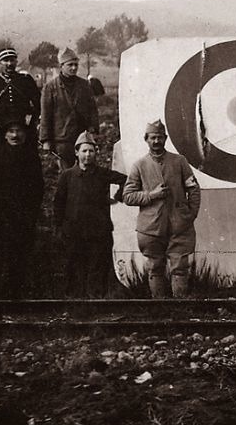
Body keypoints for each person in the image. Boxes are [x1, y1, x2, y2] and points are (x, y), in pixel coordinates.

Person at [122, 120, 201, 298]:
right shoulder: (139, 165)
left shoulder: (179, 161)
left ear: (165, 139)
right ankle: (160, 309)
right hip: (150, 228)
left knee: (180, 268)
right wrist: (151, 195)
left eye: (160, 137)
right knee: (155, 268)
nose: (156, 141)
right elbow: (128, 196)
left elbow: (193, 188)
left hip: (179, 225)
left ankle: (180, 311)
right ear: (146, 139)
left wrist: (190, 214)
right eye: (152, 138)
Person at [0, 120, 45, 298]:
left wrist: (31, 214)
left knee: (20, 258)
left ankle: (14, 299)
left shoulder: (31, 157)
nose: (15, 135)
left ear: (25, 135)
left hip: (22, 217)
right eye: (11, 131)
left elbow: (38, 188)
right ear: (4, 134)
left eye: (19, 131)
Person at [53, 131, 127, 297]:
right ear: (76, 153)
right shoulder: (67, 176)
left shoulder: (102, 174)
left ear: (96, 153)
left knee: (97, 269)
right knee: (74, 268)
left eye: (91, 151)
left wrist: (118, 196)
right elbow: (59, 203)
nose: (87, 155)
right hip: (73, 232)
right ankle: (74, 303)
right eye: (84, 151)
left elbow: (127, 180)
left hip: (98, 232)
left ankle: (96, 304)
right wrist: (59, 227)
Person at [0, 47, 41, 162]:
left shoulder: (26, 80)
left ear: (16, 62)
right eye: (5, 60)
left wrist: (35, 121)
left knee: (28, 159)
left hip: (24, 127)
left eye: (12, 60)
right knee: (2, 159)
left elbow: (39, 104)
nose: (9, 64)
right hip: (2, 127)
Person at [41, 48, 98, 170]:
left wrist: (93, 131)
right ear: (61, 66)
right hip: (62, 139)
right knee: (66, 173)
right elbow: (46, 115)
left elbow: (92, 110)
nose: (73, 68)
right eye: (70, 65)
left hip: (82, 137)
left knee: (85, 171)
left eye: (76, 65)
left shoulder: (84, 85)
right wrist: (46, 140)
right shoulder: (50, 87)